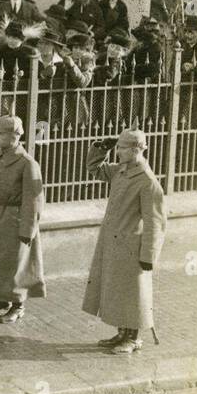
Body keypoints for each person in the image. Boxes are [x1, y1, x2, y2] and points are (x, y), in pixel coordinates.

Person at [82, 130, 165, 354]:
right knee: (116, 290)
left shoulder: (147, 181)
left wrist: (149, 255)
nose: (118, 152)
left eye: (122, 148)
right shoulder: (121, 170)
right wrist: (101, 148)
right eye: (117, 148)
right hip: (113, 243)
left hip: (132, 247)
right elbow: (95, 170)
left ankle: (134, 338)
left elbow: (155, 222)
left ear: (136, 150)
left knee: (133, 292)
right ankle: (122, 333)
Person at [0, 115, 45, 324]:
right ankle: (2, 300)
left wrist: (27, 230)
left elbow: (34, 200)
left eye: (1, 133)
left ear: (15, 136)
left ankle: (18, 305)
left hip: (15, 218)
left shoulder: (27, 163)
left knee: (15, 263)